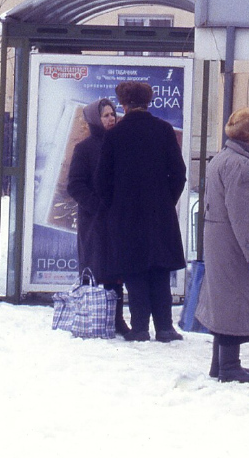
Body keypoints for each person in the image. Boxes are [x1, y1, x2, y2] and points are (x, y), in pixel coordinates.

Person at [95, 81, 188, 343]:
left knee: (134, 270)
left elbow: (102, 180)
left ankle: (139, 328)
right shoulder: (164, 130)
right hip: (159, 213)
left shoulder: (114, 135)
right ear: (148, 102)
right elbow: (179, 174)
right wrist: (166, 200)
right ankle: (165, 327)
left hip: (126, 216)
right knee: (159, 269)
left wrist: (115, 205)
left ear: (124, 104)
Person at [196, 107, 249, 383]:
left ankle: (221, 364)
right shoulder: (242, 166)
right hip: (235, 245)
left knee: (224, 301)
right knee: (233, 302)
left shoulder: (225, 158)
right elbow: (245, 214)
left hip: (222, 241)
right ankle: (229, 367)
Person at [65, 98, 128, 336]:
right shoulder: (85, 148)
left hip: (119, 220)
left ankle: (117, 318)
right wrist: (98, 206)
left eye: (113, 114)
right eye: (105, 115)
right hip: (95, 222)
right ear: (94, 119)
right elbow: (75, 185)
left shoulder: (122, 144)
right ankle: (93, 315)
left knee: (117, 272)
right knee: (96, 267)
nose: (111, 119)